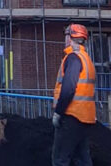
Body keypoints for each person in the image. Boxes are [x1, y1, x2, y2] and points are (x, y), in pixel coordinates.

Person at [52, 24, 96, 166]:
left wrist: (58, 112)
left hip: (71, 117)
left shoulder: (73, 58)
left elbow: (69, 89)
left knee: (60, 159)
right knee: (82, 159)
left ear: (70, 38)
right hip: (85, 118)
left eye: (66, 35)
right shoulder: (86, 59)